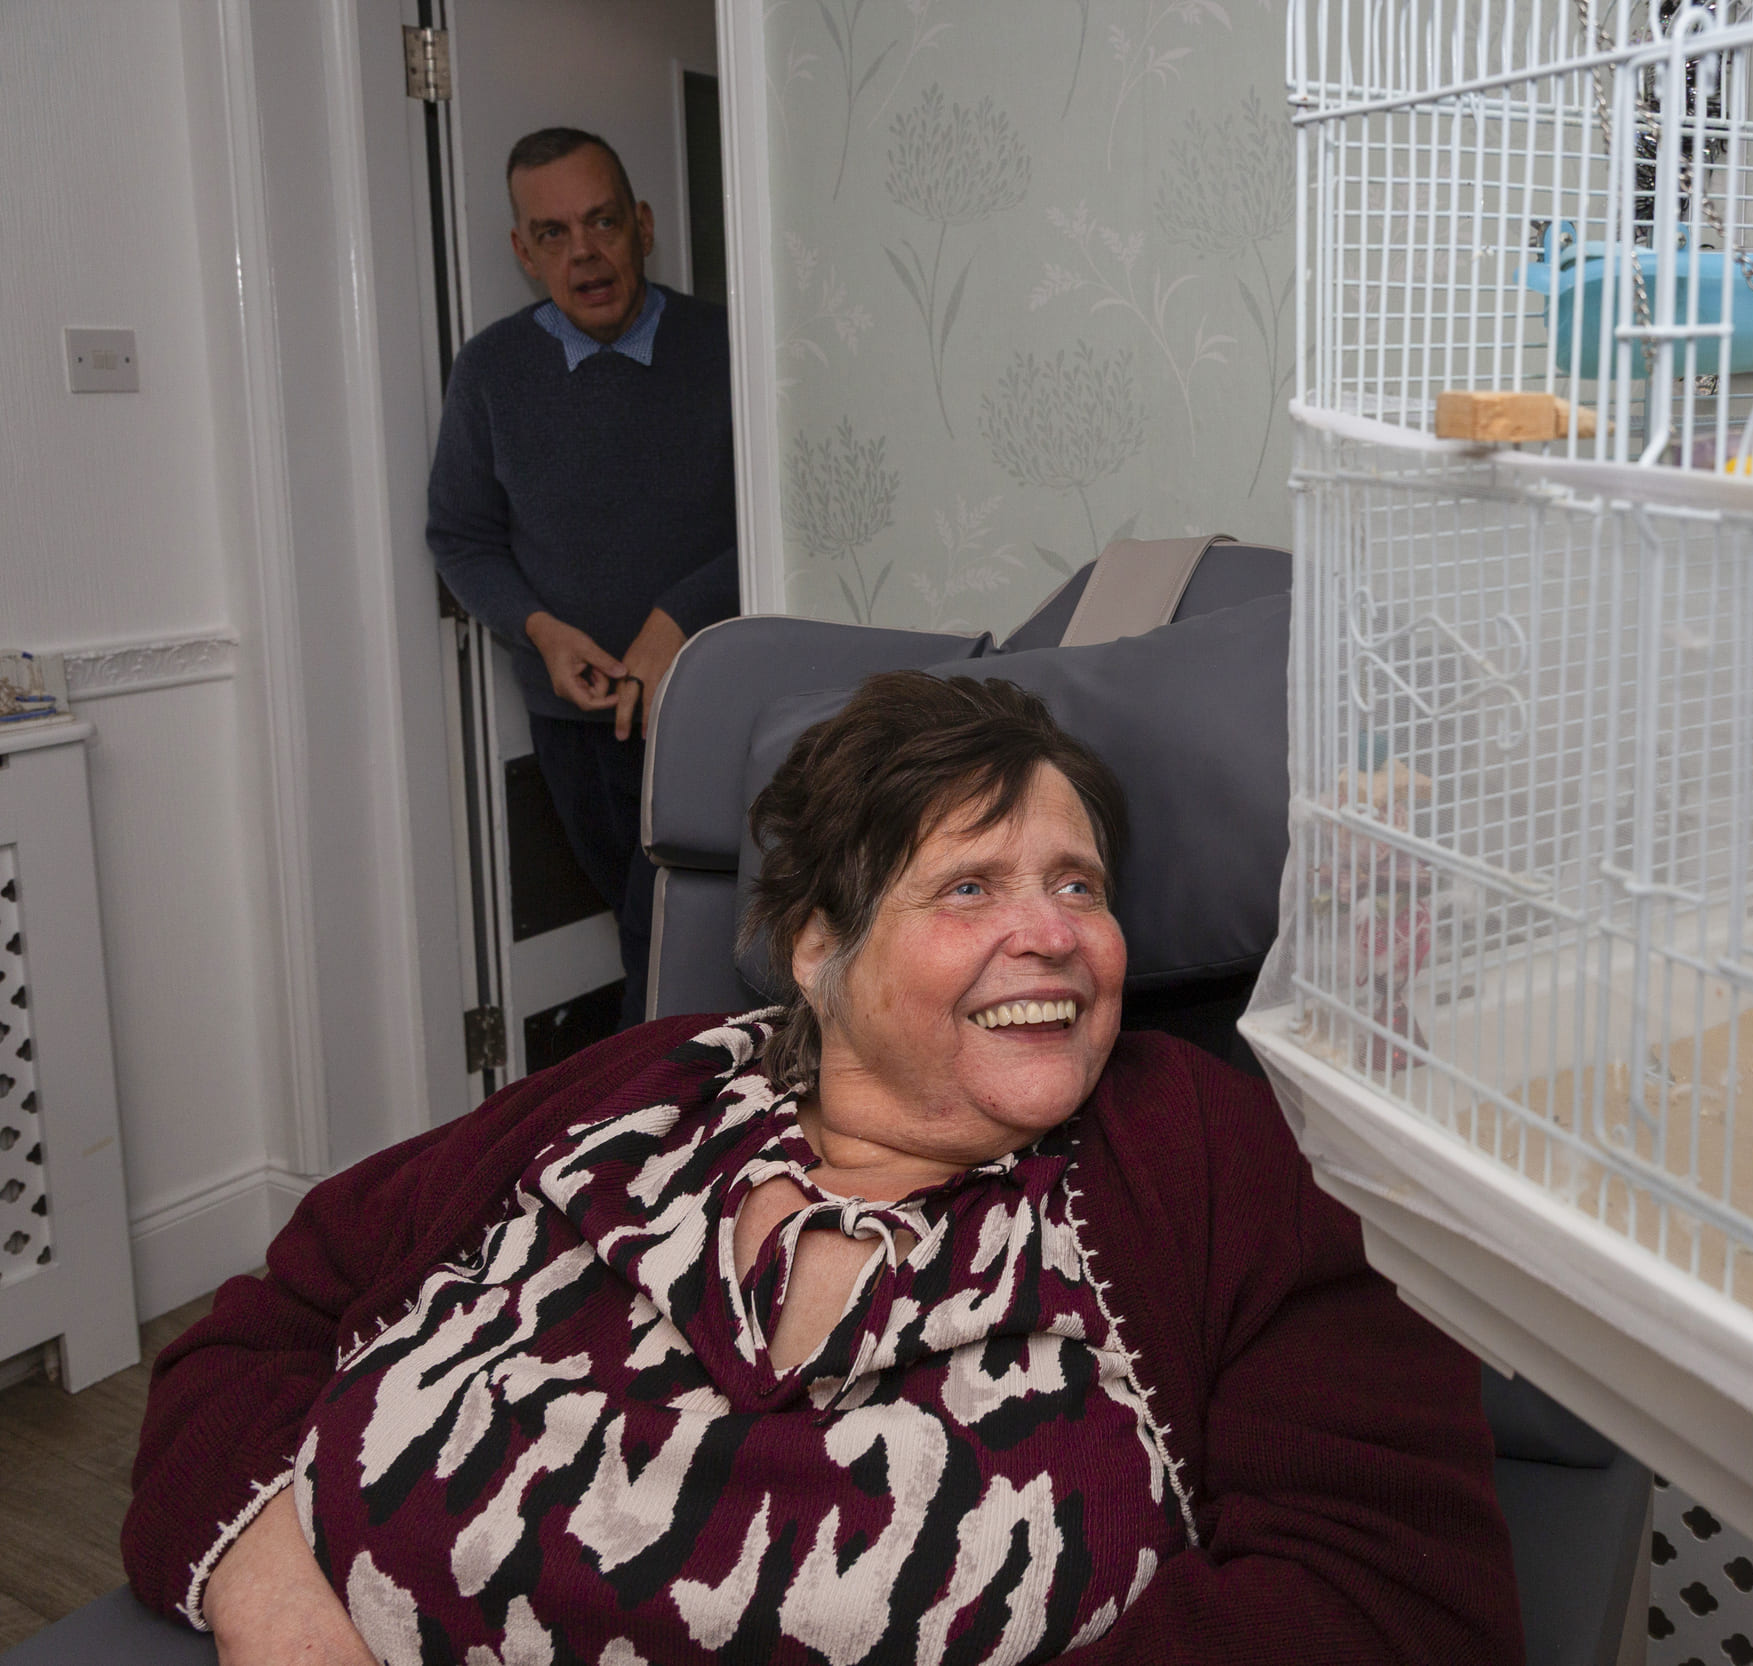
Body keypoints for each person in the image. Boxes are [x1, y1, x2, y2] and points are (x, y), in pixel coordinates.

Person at [122, 672, 1526, 1666]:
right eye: (970, 885)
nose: (1052, 931)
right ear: (815, 946)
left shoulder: (1201, 1150)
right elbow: (260, 1335)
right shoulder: (633, 1090)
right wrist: (283, 1617)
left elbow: (1396, 1591)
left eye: (1081, 884)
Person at [429, 127, 738, 1028]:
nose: (585, 252)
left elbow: (789, 514)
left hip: (717, 703)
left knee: (684, 941)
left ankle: (669, 1138)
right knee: (641, 935)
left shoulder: (729, 345)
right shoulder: (490, 372)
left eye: (602, 221)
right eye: (554, 233)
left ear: (642, 225)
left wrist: (678, 617)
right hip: (580, 725)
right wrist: (539, 629)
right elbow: (460, 535)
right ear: (524, 252)